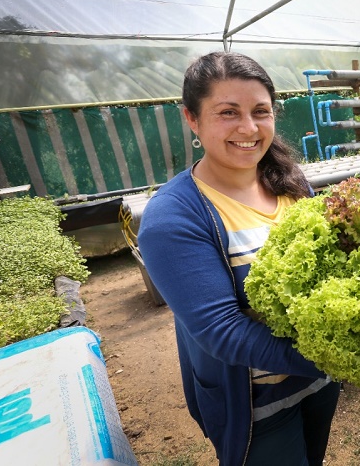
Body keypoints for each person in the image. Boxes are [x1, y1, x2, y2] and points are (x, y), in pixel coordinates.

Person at [137, 51, 340, 466]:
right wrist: (338, 353)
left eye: (260, 112)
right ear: (192, 119)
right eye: (227, 112)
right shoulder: (173, 217)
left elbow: (330, 267)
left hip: (319, 380)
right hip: (254, 404)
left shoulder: (291, 182)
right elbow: (222, 332)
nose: (248, 128)